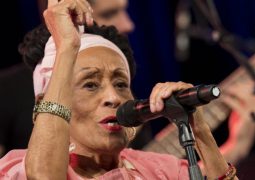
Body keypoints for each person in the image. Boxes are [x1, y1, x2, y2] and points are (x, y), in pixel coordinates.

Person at [0, 0, 237, 179]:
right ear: (45, 103)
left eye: (121, 84)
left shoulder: (164, 170)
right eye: (90, 85)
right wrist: (68, 47)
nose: (113, 97)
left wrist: (202, 134)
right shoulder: (15, 169)